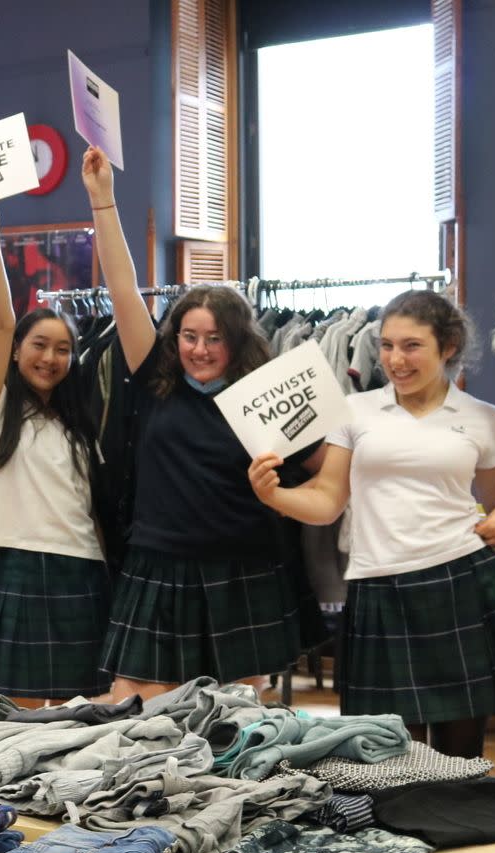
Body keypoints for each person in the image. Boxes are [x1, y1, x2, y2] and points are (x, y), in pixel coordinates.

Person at [82, 146, 321, 701]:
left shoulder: (267, 395)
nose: (200, 349)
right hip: (158, 564)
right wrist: (103, 201)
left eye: (214, 338)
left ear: (236, 341)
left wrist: (285, 498)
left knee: (234, 719)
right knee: (137, 708)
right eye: (189, 336)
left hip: (242, 569)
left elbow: (327, 469)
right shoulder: (153, 378)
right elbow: (123, 290)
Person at [249, 290, 495, 759]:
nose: (396, 360)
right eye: (386, 345)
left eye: (412, 346)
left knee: (461, 757)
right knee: (387, 755)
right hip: (376, 587)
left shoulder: (484, 418)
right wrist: (272, 495)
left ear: (449, 346)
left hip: (460, 584)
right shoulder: (355, 411)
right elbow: (327, 501)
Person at [0, 197, 107, 707]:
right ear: (17, 350)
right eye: (39, 345)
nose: (50, 358)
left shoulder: (81, 423)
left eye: (63, 349)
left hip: (84, 566)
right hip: (20, 564)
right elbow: (0, 324)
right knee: (18, 720)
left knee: (82, 718)